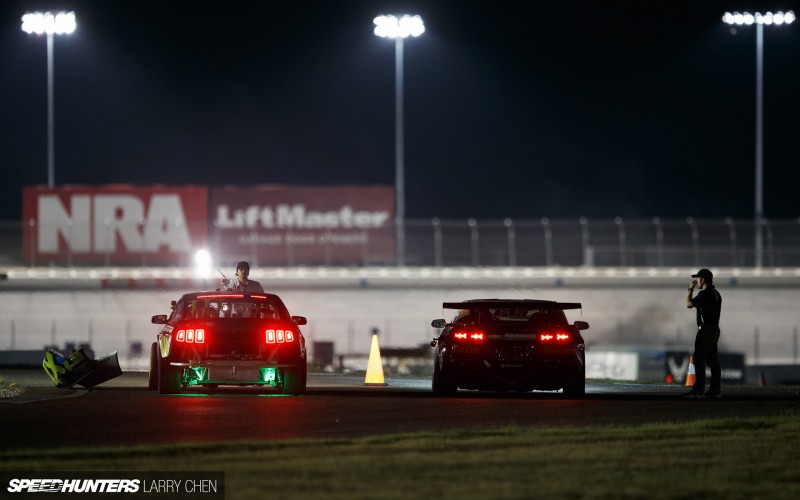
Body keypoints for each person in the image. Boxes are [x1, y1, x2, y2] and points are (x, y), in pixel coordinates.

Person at [683, 268, 722, 399]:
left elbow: (689, 304)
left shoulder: (704, 294)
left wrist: (690, 289)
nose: (697, 282)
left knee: (699, 359)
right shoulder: (717, 294)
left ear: (702, 280)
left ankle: (698, 389)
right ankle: (715, 390)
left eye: (698, 279)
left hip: (705, 330)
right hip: (714, 329)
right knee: (713, 361)